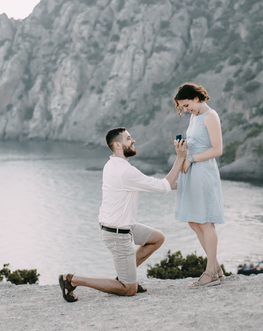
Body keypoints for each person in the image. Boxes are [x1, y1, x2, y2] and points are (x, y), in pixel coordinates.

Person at [58, 127, 187, 302]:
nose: (133, 141)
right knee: (129, 290)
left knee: (157, 238)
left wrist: (183, 186)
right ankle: (72, 280)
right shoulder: (125, 171)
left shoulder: (113, 164)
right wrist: (180, 158)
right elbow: (162, 187)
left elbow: (153, 183)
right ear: (118, 145)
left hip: (122, 226)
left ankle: (126, 276)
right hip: (117, 233)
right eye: (129, 138)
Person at [173, 82, 225, 288]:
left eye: (186, 105)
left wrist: (191, 158)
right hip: (192, 171)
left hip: (203, 172)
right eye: (183, 107)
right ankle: (217, 268)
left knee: (205, 221)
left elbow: (217, 149)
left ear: (196, 98)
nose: (186, 110)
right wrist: (183, 151)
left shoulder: (210, 116)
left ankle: (210, 271)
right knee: (194, 222)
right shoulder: (195, 117)